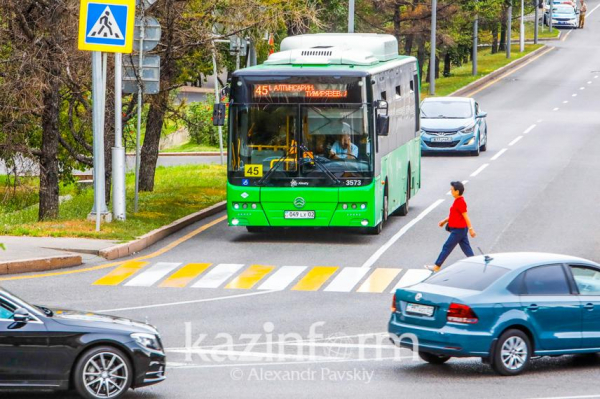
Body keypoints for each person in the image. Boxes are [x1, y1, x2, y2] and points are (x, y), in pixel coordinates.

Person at [425, 181, 476, 272]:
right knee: (466, 248)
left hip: (458, 230)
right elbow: (454, 215)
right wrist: (444, 221)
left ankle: (437, 266)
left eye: (452, 190)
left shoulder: (461, 202)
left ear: (457, 191)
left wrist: (471, 229)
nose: (450, 191)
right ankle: (477, 264)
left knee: (447, 246)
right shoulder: (457, 201)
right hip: (460, 229)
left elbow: (465, 216)